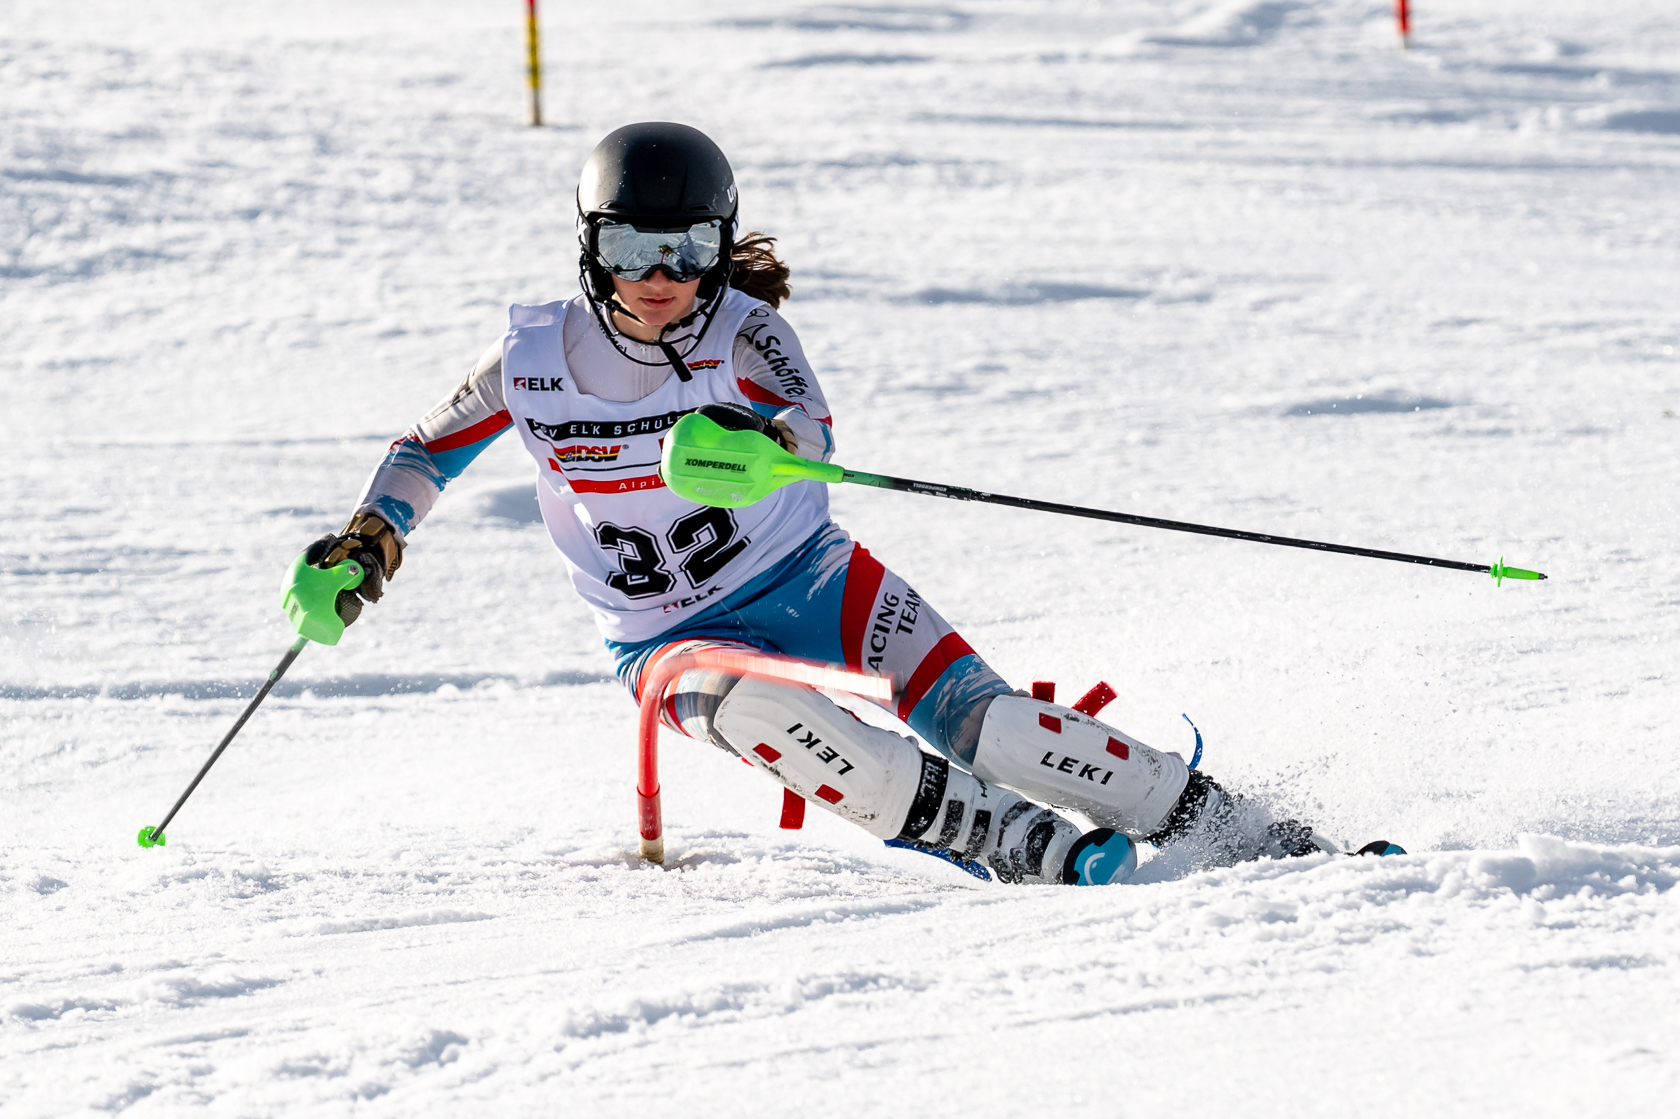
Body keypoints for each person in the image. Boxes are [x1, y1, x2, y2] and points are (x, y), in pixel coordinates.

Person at [294, 122, 1400, 886]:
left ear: (720, 247)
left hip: (816, 585)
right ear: (593, 247)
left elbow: (811, 434)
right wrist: (368, 540)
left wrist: (762, 447)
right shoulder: (532, 359)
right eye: (632, 245)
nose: (659, 274)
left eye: (687, 248)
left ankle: (1250, 837)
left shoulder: (746, 332)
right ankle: (1039, 857)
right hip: (665, 638)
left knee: (999, 727)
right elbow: (424, 453)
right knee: (774, 717)